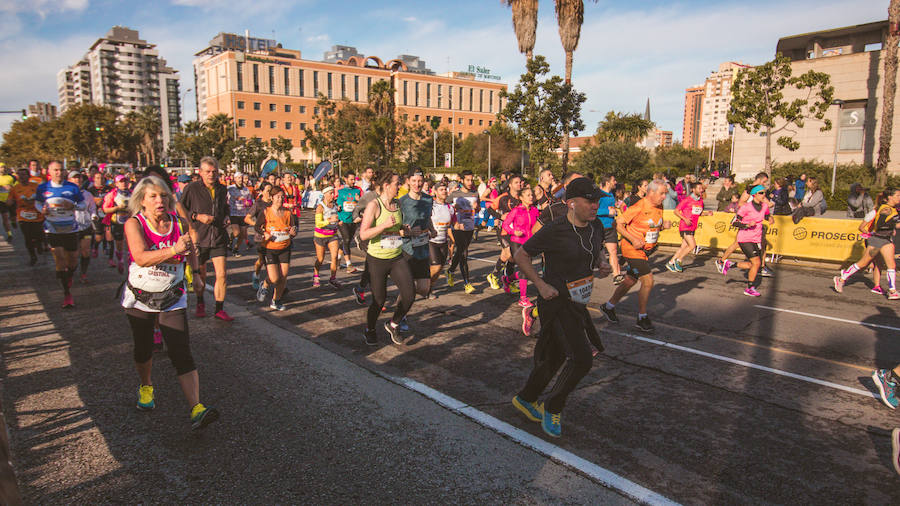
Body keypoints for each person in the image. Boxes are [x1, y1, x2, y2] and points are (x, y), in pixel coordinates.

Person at [511, 177, 608, 438]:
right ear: (572, 204)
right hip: (556, 302)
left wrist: (601, 261)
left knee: (554, 357)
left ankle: (525, 398)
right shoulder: (555, 229)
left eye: (597, 200)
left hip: (578, 302)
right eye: (590, 201)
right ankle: (553, 407)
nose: (595, 205)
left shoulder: (596, 225)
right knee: (581, 358)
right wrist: (540, 285)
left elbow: (595, 249)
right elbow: (520, 254)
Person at [121, 175, 218, 430]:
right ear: (142, 200)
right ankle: (146, 386)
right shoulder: (134, 223)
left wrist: (196, 274)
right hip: (140, 297)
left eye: (163, 195)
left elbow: (191, 247)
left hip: (172, 296)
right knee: (143, 349)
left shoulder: (179, 222)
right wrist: (173, 251)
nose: (159, 200)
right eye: (153, 196)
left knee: (181, 351)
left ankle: (197, 408)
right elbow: (140, 257)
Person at [600, 179, 671, 333]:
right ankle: (642, 317)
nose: (664, 197)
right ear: (651, 192)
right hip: (631, 248)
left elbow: (651, 225)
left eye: (665, 193)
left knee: (630, 280)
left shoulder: (659, 206)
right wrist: (633, 239)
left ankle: (608, 306)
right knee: (648, 281)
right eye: (662, 193)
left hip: (645, 251)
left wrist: (663, 226)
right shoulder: (638, 206)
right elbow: (617, 224)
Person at [359, 171, 415, 346]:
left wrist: (404, 230)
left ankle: (393, 324)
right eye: (397, 183)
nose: (400, 187)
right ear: (386, 185)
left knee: (410, 294)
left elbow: (396, 229)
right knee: (379, 300)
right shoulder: (374, 206)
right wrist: (383, 225)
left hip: (396, 256)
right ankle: (370, 329)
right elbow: (363, 234)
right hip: (377, 259)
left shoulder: (397, 204)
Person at [176, 156, 234, 321]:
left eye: (214, 171)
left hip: (218, 236)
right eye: (208, 172)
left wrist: (226, 217)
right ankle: (200, 303)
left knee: (222, 274)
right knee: (201, 274)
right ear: (200, 172)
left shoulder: (222, 189)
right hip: (198, 236)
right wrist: (196, 216)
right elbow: (180, 208)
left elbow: (225, 207)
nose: (211, 175)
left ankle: (219, 309)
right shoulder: (192, 188)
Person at [35, 161, 86, 307]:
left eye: (61, 170)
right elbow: (37, 203)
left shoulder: (72, 187)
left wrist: (74, 206)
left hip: (70, 228)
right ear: (49, 172)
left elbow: (83, 205)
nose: (58, 172)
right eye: (55, 170)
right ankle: (67, 294)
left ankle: (69, 275)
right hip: (52, 228)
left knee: (73, 260)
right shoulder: (43, 188)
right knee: (59, 257)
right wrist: (42, 210)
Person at [834, 187, 900, 299]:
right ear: (890, 197)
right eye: (898, 195)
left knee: (891, 265)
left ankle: (892, 290)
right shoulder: (886, 209)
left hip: (886, 240)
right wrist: (893, 225)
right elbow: (880, 224)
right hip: (877, 240)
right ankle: (841, 279)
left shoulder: (892, 209)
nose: (899, 198)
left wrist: (894, 226)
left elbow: (895, 224)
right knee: (863, 263)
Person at [717, 172, 772, 277]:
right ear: (760, 179)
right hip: (746, 219)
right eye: (764, 181)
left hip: (755, 221)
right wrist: (751, 209)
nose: (765, 184)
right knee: (737, 243)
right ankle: (722, 260)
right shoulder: (750, 189)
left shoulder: (761, 191)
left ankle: (762, 266)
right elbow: (741, 203)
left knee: (762, 242)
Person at [721, 185, 772, 296]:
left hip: (756, 238)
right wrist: (747, 224)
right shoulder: (746, 207)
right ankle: (749, 288)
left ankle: (730, 265)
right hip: (745, 238)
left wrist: (770, 219)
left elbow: (767, 215)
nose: (764, 195)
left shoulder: (764, 206)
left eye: (764, 193)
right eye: (761, 193)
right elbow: (734, 222)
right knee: (757, 262)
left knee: (753, 265)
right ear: (754, 195)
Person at [252, 186, 298, 310]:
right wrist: (264, 233)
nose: (280, 199)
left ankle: (276, 300)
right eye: (278, 196)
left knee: (283, 276)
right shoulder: (266, 212)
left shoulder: (288, 213)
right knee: (274, 278)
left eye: (282, 196)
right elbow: (257, 226)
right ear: (272, 198)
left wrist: (293, 232)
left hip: (285, 247)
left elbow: (294, 228)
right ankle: (265, 284)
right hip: (270, 248)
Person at [399, 170, 435, 312]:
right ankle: (400, 316)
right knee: (408, 290)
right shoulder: (402, 202)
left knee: (424, 288)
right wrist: (407, 232)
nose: (417, 184)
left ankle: (401, 309)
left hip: (423, 247)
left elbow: (427, 217)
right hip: (406, 249)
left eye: (419, 181)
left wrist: (432, 229)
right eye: (414, 181)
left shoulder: (428, 199)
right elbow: (397, 226)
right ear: (408, 181)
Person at [503, 185, 540, 309]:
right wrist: (514, 232)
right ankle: (523, 298)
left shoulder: (535, 210)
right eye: (528, 195)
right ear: (521, 198)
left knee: (527, 270)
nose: (531, 197)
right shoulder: (516, 211)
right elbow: (505, 225)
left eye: (532, 195)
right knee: (525, 269)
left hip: (530, 243)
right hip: (517, 242)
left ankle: (508, 279)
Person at [487, 174, 523, 292]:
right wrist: (500, 216)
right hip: (503, 230)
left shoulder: (521, 198)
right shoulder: (503, 197)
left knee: (513, 257)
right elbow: (489, 208)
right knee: (507, 253)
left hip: (516, 231)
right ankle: (494, 275)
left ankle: (507, 281)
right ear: (511, 184)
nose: (519, 184)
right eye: (517, 182)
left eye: (520, 182)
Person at [447, 170, 480, 294]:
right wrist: (453, 208)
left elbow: (478, 209)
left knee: (460, 252)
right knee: (464, 252)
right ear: (461, 180)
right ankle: (467, 283)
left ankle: (450, 271)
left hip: (469, 227)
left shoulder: (475, 193)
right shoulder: (455, 194)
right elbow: (444, 205)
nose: (470, 182)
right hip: (457, 227)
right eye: (468, 180)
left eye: (472, 180)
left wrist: (477, 208)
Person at [667, 181, 712, 272]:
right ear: (693, 189)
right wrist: (684, 219)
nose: (701, 190)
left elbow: (699, 213)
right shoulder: (687, 200)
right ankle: (678, 260)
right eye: (699, 188)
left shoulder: (700, 201)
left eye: (702, 188)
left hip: (693, 227)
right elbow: (676, 211)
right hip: (685, 226)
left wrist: (707, 213)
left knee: (683, 247)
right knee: (692, 245)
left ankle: (671, 262)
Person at [8, 167, 44, 265]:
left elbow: (43, 199)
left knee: (38, 234)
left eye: (24, 174)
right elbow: (9, 202)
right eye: (19, 175)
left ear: (28, 176)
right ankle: (32, 256)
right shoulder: (15, 189)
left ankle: (39, 242)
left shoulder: (36, 186)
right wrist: (10, 202)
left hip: (37, 216)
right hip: (23, 216)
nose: (22, 177)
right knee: (27, 237)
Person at [244, 182, 273, 290]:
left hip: (273, 237)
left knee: (273, 262)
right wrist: (258, 226)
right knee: (262, 261)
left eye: (271, 190)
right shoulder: (258, 204)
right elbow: (247, 218)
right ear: (261, 192)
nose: (270, 193)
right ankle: (256, 275)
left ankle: (275, 284)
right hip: (261, 238)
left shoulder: (275, 203)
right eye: (268, 191)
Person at [428, 181, 455, 298]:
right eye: (441, 190)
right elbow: (425, 220)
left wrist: (453, 240)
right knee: (436, 267)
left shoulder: (450, 208)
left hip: (443, 242)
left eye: (445, 189)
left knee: (439, 270)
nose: (444, 191)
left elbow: (451, 225)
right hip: (431, 241)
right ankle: (426, 288)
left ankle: (428, 287)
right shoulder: (431, 206)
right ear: (435, 192)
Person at [69, 172, 97, 283]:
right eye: (74, 178)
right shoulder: (66, 194)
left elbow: (92, 208)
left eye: (79, 178)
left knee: (86, 251)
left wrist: (94, 215)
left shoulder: (87, 194)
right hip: (71, 228)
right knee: (74, 255)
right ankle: (70, 272)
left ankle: (83, 273)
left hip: (85, 226)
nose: (77, 180)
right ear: (69, 180)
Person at [596, 174, 624, 285]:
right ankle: (603, 267)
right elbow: (593, 210)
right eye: (614, 180)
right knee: (598, 250)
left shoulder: (611, 195)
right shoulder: (598, 195)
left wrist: (614, 210)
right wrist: (607, 212)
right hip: (599, 226)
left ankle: (617, 275)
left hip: (610, 226)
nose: (615, 182)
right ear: (607, 182)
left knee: (613, 251)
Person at [312, 186, 342, 289]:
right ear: (324, 194)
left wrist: (338, 221)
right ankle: (316, 275)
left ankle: (333, 278)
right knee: (320, 259)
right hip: (320, 236)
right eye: (330, 193)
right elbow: (318, 223)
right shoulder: (320, 207)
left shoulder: (334, 205)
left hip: (332, 235)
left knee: (334, 257)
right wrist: (329, 220)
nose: (332, 195)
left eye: (333, 193)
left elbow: (336, 217)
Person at [102, 175, 132, 274]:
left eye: (125, 181)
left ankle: (130, 261)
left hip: (130, 221)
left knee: (130, 242)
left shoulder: (133, 193)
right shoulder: (112, 195)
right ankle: (120, 260)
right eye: (121, 182)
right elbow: (105, 209)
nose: (124, 183)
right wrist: (117, 208)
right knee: (119, 243)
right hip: (116, 221)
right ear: (116, 184)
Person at [335, 171, 362, 273]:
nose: (353, 181)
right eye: (351, 179)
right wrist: (338, 211)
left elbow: (361, 205)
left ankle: (338, 257)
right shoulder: (341, 192)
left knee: (347, 241)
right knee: (346, 239)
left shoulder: (357, 191)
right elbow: (337, 206)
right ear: (345, 179)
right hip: (343, 220)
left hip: (353, 220)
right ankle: (349, 265)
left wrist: (359, 201)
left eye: (354, 179)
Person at [226, 172, 253, 256]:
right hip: (233, 212)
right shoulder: (230, 188)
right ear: (234, 179)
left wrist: (249, 203)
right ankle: (230, 239)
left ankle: (236, 249)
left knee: (242, 234)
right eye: (238, 178)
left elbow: (250, 200)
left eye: (241, 178)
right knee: (236, 233)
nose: (240, 179)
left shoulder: (246, 190)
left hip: (243, 213)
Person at [0, 164, 15, 241]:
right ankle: (9, 234)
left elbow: (16, 187)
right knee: (5, 218)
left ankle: (13, 221)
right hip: (1, 201)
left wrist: (10, 187)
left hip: (11, 199)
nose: (2, 169)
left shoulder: (11, 177)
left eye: (4, 167)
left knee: (13, 217)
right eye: (1, 167)